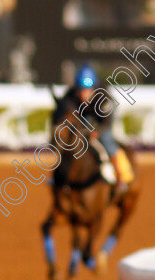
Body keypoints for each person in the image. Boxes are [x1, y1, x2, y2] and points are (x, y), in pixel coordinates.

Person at [53, 64, 129, 194]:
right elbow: (65, 111)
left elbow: (107, 121)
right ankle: (59, 177)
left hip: (101, 122)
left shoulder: (104, 97)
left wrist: (97, 131)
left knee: (108, 141)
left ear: (94, 89)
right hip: (82, 122)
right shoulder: (70, 95)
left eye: (87, 91)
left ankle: (120, 178)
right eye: (81, 91)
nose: (84, 95)